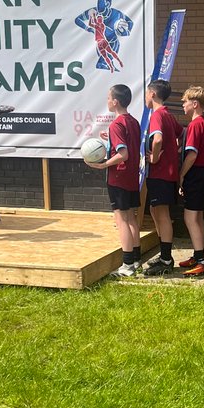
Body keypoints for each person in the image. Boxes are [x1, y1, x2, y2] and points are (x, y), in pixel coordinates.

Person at [87, 83, 142, 279]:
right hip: (131, 177)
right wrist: (110, 138)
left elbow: (123, 153)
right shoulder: (133, 121)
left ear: (116, 101)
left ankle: (127, 265)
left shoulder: (116, 124)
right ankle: (136, 260)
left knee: (122, 220)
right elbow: (129, 145)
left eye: (109, 98)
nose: (107, 101)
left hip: (118, 177)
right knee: (131, 218)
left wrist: (103, 165)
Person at [142, 79, 183, 277]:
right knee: (154, 209)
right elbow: (181, 133)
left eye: (145, 93)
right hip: (164, 174)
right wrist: (175, 151)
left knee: (162, 212)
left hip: (161, 173)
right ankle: (163, 253)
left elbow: (157, 139)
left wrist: (156, 157)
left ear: (152, 94)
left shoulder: (157, 115)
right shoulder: (169, 115)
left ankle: (166, 259)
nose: (144, 97)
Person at [177, 85, 204, 276]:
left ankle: (201, 261)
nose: (183, 104)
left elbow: (191, 155)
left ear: (194, 103)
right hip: (200, 173)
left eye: (185, 101)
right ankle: (198, 254)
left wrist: (181, 175)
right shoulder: (202, 124)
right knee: (196, 217)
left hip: (194, 174)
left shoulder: (194, 125)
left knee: (190, 217)